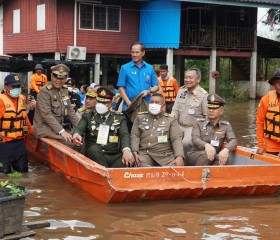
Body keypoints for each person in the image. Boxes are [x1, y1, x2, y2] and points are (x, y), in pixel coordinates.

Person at [72, 87, 135, 168]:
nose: (100, 105)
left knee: (129, 157)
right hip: (94, 155)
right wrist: (76, 134)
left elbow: (124, 135)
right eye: (99, 102)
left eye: (104, 103)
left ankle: (109, 174)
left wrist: (126, 150)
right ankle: (107, 173)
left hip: (113, 155)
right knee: (94, 149)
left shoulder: (119, 118)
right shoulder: (88, 116)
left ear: (111, 104)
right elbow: (79, 128)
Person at [131, 93, 184, 167]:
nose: (153, 104)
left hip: (165, 156)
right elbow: (135, 135)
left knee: (173, 168)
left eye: (157, 102)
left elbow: (176, 139)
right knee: (141, 165)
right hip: (145, 154)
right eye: (151, 102)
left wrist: (179, 156)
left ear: (164, 106)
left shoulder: (171, 120)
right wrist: (135, 152)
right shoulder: (140, 118)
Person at [33, 64, 79, 145]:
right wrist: (62, 131)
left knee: (80, 137)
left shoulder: (64, 90)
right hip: (45, 128)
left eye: (62, 78)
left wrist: (80, 129)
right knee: (70, 142)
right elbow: (46, 114)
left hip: (58, 127)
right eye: (56, 77)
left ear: (66, 78)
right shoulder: (45, 92)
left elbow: (70, 110)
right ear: (51, 76)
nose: (58, 80)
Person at [117, 42, 159, 129]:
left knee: (145, 132)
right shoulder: (125, 68)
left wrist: (149, 91)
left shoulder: (150, 68)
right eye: (132, 52)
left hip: (145, 106)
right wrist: (129, 103)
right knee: (129, 132)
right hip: (129, 107)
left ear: (143, 53)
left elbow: (156, 86)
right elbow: (121, 88)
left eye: (137, 52)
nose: (134, 54)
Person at [187, 94, 237, 166]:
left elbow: (233, 141)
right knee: (207, 155)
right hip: (195, 155)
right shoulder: (198, 123)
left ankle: (213, 176)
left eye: (214, 108)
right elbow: (195, 139)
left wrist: (226, 149)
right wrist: (206, 145)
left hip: (212, 156)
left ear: (221, 111)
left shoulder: (225, 126)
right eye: (209, 107)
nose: (211, 110)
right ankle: (197, 176)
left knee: (222, 158)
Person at [0, 73, 33, 174]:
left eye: (18, 86)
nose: (16, 88)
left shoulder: (22, 98)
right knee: (4, 173)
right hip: (4, 143)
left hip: (20, 143)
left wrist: (30, 131)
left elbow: (24, 117)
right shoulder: (1, 100)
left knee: (23, 171)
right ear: (6, 87)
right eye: (13, 86)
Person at [171, 68, 208, 156]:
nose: (187, 80)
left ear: (198, 79)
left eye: (190, 78)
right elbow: (175, 110)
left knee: (185, 143)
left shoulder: (203, 95)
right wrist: (170, 125)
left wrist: (204, 133)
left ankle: (185, 165)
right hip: (179, 125)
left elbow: (207, 117)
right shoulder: (181, 91)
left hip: (193, 128)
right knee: (166, 138)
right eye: (186, 77)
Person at [256, 69, 280, 156]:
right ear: (274, 84)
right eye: (278, 82)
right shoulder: (265, 100)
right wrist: (260, 145)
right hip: (271, 145)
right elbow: (259, 123)